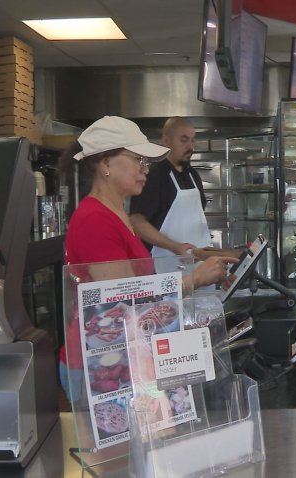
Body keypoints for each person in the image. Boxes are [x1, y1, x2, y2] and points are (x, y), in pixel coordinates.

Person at [57, 115, 236, 404]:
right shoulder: (95, 219)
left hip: (124, 354)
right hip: (98, 363)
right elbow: (119, 304)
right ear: (105, 163)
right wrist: (195, 280)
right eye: (137, 160)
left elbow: (137, 290)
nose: (145, 170)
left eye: (146, 163)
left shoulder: (117, 215)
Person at [129, 117, 220, 260]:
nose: (190, 147)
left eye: (192, 140)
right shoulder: (155, 175)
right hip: (164, 266)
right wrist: (174, 246)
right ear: (166, 141)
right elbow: (136, 222)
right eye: (184, 140)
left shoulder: (193, 175)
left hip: (198, 264)